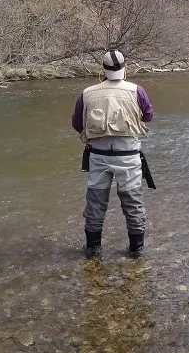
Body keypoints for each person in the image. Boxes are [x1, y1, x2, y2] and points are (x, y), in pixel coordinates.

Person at [71, 50, 154, 259]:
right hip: (128, 156)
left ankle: (93, 250)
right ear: (125, 68)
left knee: (95, 203)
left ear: (103, 69)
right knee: (133, 203)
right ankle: (137, 252)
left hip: (98, 156)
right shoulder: (137, 91)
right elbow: (149, 116)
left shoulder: (87, 93)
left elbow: (76, 124)